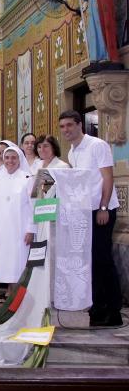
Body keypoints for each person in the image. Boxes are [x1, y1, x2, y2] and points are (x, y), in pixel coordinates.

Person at [59, 110, 122, 326]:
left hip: (102, 210)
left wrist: (104, 206)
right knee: (91, 260)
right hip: (85, 212)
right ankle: (98, 306)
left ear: (79, 125)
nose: (66, 130)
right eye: (62, 127)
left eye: (69, 125)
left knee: (103, 259)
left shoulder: (97, 145)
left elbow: (107, 177)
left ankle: (114, 311)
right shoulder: (71, 152)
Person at [0, 147, 36, 303]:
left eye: (13, 158)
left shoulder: (27, 178)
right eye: (7, 157)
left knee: (18, 262)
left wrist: (31, 229)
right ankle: (10, 292)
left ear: (19, 159)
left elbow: (32, 206)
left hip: (19, 228)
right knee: (6, 262)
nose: (10, 161)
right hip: (1, 228)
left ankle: (17, 298)